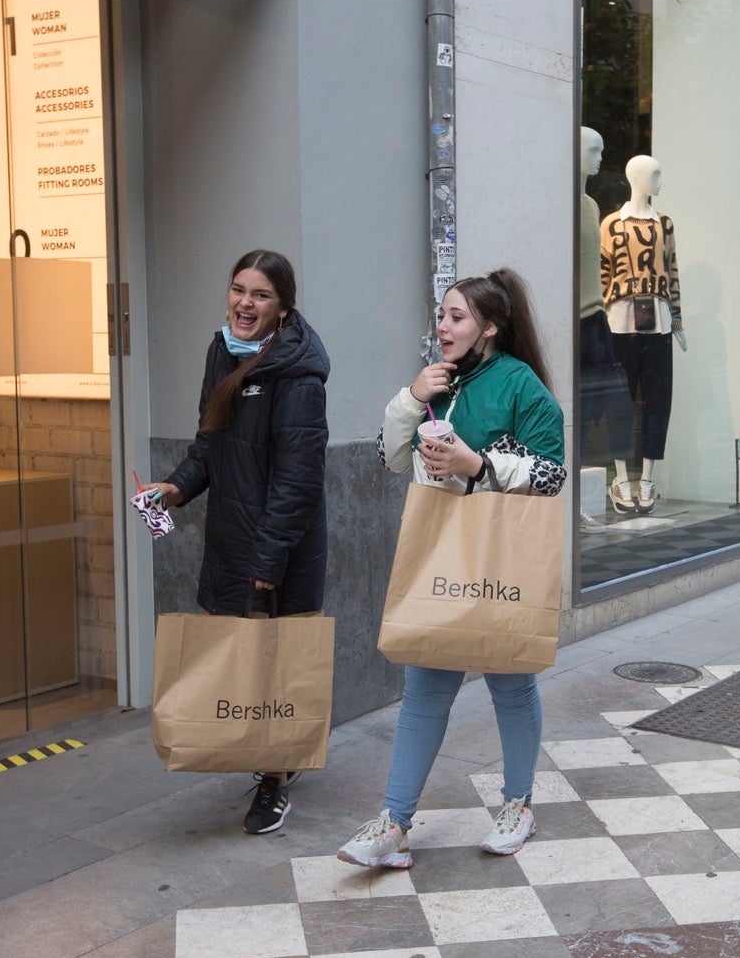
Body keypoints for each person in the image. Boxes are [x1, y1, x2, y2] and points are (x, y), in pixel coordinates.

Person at [337, 267, 565, 869]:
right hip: (440, 550)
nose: (442, 325)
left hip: (499, 557)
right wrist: (411, 399)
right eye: (441, 315)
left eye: (456, 316)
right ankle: (394, 824)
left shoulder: (521, 386)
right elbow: (389, 458)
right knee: (422, 692)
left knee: (511, 682)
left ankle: (518, 804)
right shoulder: (436, 383)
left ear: (489, 326)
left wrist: (477, 462)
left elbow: (552, 475)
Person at [152, 250, 330, 835]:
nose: (244, 304)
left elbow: (299, 478)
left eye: (260, 295)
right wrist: (177, 487)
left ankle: (274, 784)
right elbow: (211, 438)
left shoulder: (298, 373)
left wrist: (269, 558)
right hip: (230, 535)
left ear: (283, 308)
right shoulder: (222, 351)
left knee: (272, 663)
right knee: (239, 655)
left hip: (278, 544)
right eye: (237, 290)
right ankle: (269, 759)